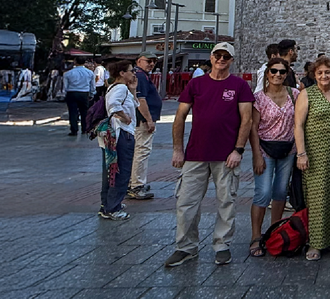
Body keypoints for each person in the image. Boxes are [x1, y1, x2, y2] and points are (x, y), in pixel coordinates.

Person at [165, 42, 254, 268]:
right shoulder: (196, 84)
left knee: (226, 201)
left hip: (226, 155)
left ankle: (222, 245)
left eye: (226, 56)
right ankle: (185, 247)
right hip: (196, 153)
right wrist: (178, 149)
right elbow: (180, 116)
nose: (221, 59)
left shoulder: (239, 85)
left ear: (231, 60)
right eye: (217, 55)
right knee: (186, 202)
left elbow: (247, 119)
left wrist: (238, 149)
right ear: (211, 57)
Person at [294, 56, 330, 260]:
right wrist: (301, 153)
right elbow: (298, 125)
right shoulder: (306, 94)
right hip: (316, 154)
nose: (324, 76)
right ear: (314, 75)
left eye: (328, 72)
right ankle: (315, 243)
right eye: (320, 73)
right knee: (317, 198)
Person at [247, 58, 299, 257]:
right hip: (265, 149)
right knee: (263, 192)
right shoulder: (258, 98)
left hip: (288, 149)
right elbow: (253, 127)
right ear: (267, 73)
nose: (278, 75)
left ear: (287, 74)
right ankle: (255, 235)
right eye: (274, 71)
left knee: (280, 192)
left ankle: (274, 231)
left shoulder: (294, 94)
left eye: (282, 72)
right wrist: (256, 155)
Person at [98, 60, 138, 221]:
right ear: (122, 73)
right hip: (122, 133)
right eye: (131, 70)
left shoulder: (117, 88)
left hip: (115, 134)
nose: (133, 73)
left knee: (111, 170)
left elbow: (133, 104)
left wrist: (133, 90)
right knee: (121, 170)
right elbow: (113, 105)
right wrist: (125, 116)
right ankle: (113, 207)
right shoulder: (120, 88)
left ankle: (107, 204)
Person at [127, 55, 160, 200]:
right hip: (141, 121)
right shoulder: (140, 76)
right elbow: (141, 99)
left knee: (138, 151)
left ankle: (133, 183)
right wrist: (149, 119)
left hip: (139, 120)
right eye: (148, 61)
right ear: (139, 61)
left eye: (154, 61)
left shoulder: (141, 75)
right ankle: (136, 185)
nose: (151, 64)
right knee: (142, 151)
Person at [63, 60, 95, 135]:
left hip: (72, 92)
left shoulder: (68, 73)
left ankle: (74, 130)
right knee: (84, 112)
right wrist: (92, 93)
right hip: (84, 93)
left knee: (73, 112)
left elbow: (65, 87)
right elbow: (92, 85)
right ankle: (85, 128)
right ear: (84, 63)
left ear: (75, 62)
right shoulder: (89, 73)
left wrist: (65, 94)